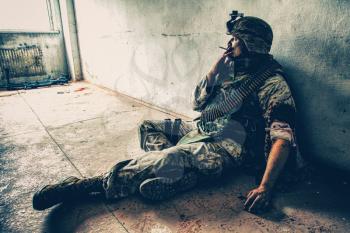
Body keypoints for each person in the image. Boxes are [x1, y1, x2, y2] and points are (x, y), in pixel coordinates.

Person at [33, 12, 301, 213]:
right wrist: (213, 72)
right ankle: (181, 176)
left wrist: (265, 186)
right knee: (148, 127)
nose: (230, 44)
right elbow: (198, 104)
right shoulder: (231, 70)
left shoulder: (271, 82)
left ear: (250, 44)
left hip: (229, 147)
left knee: (169, 157)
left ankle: (92, 184)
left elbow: (283, 137)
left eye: (235, 39)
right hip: (202, 129)